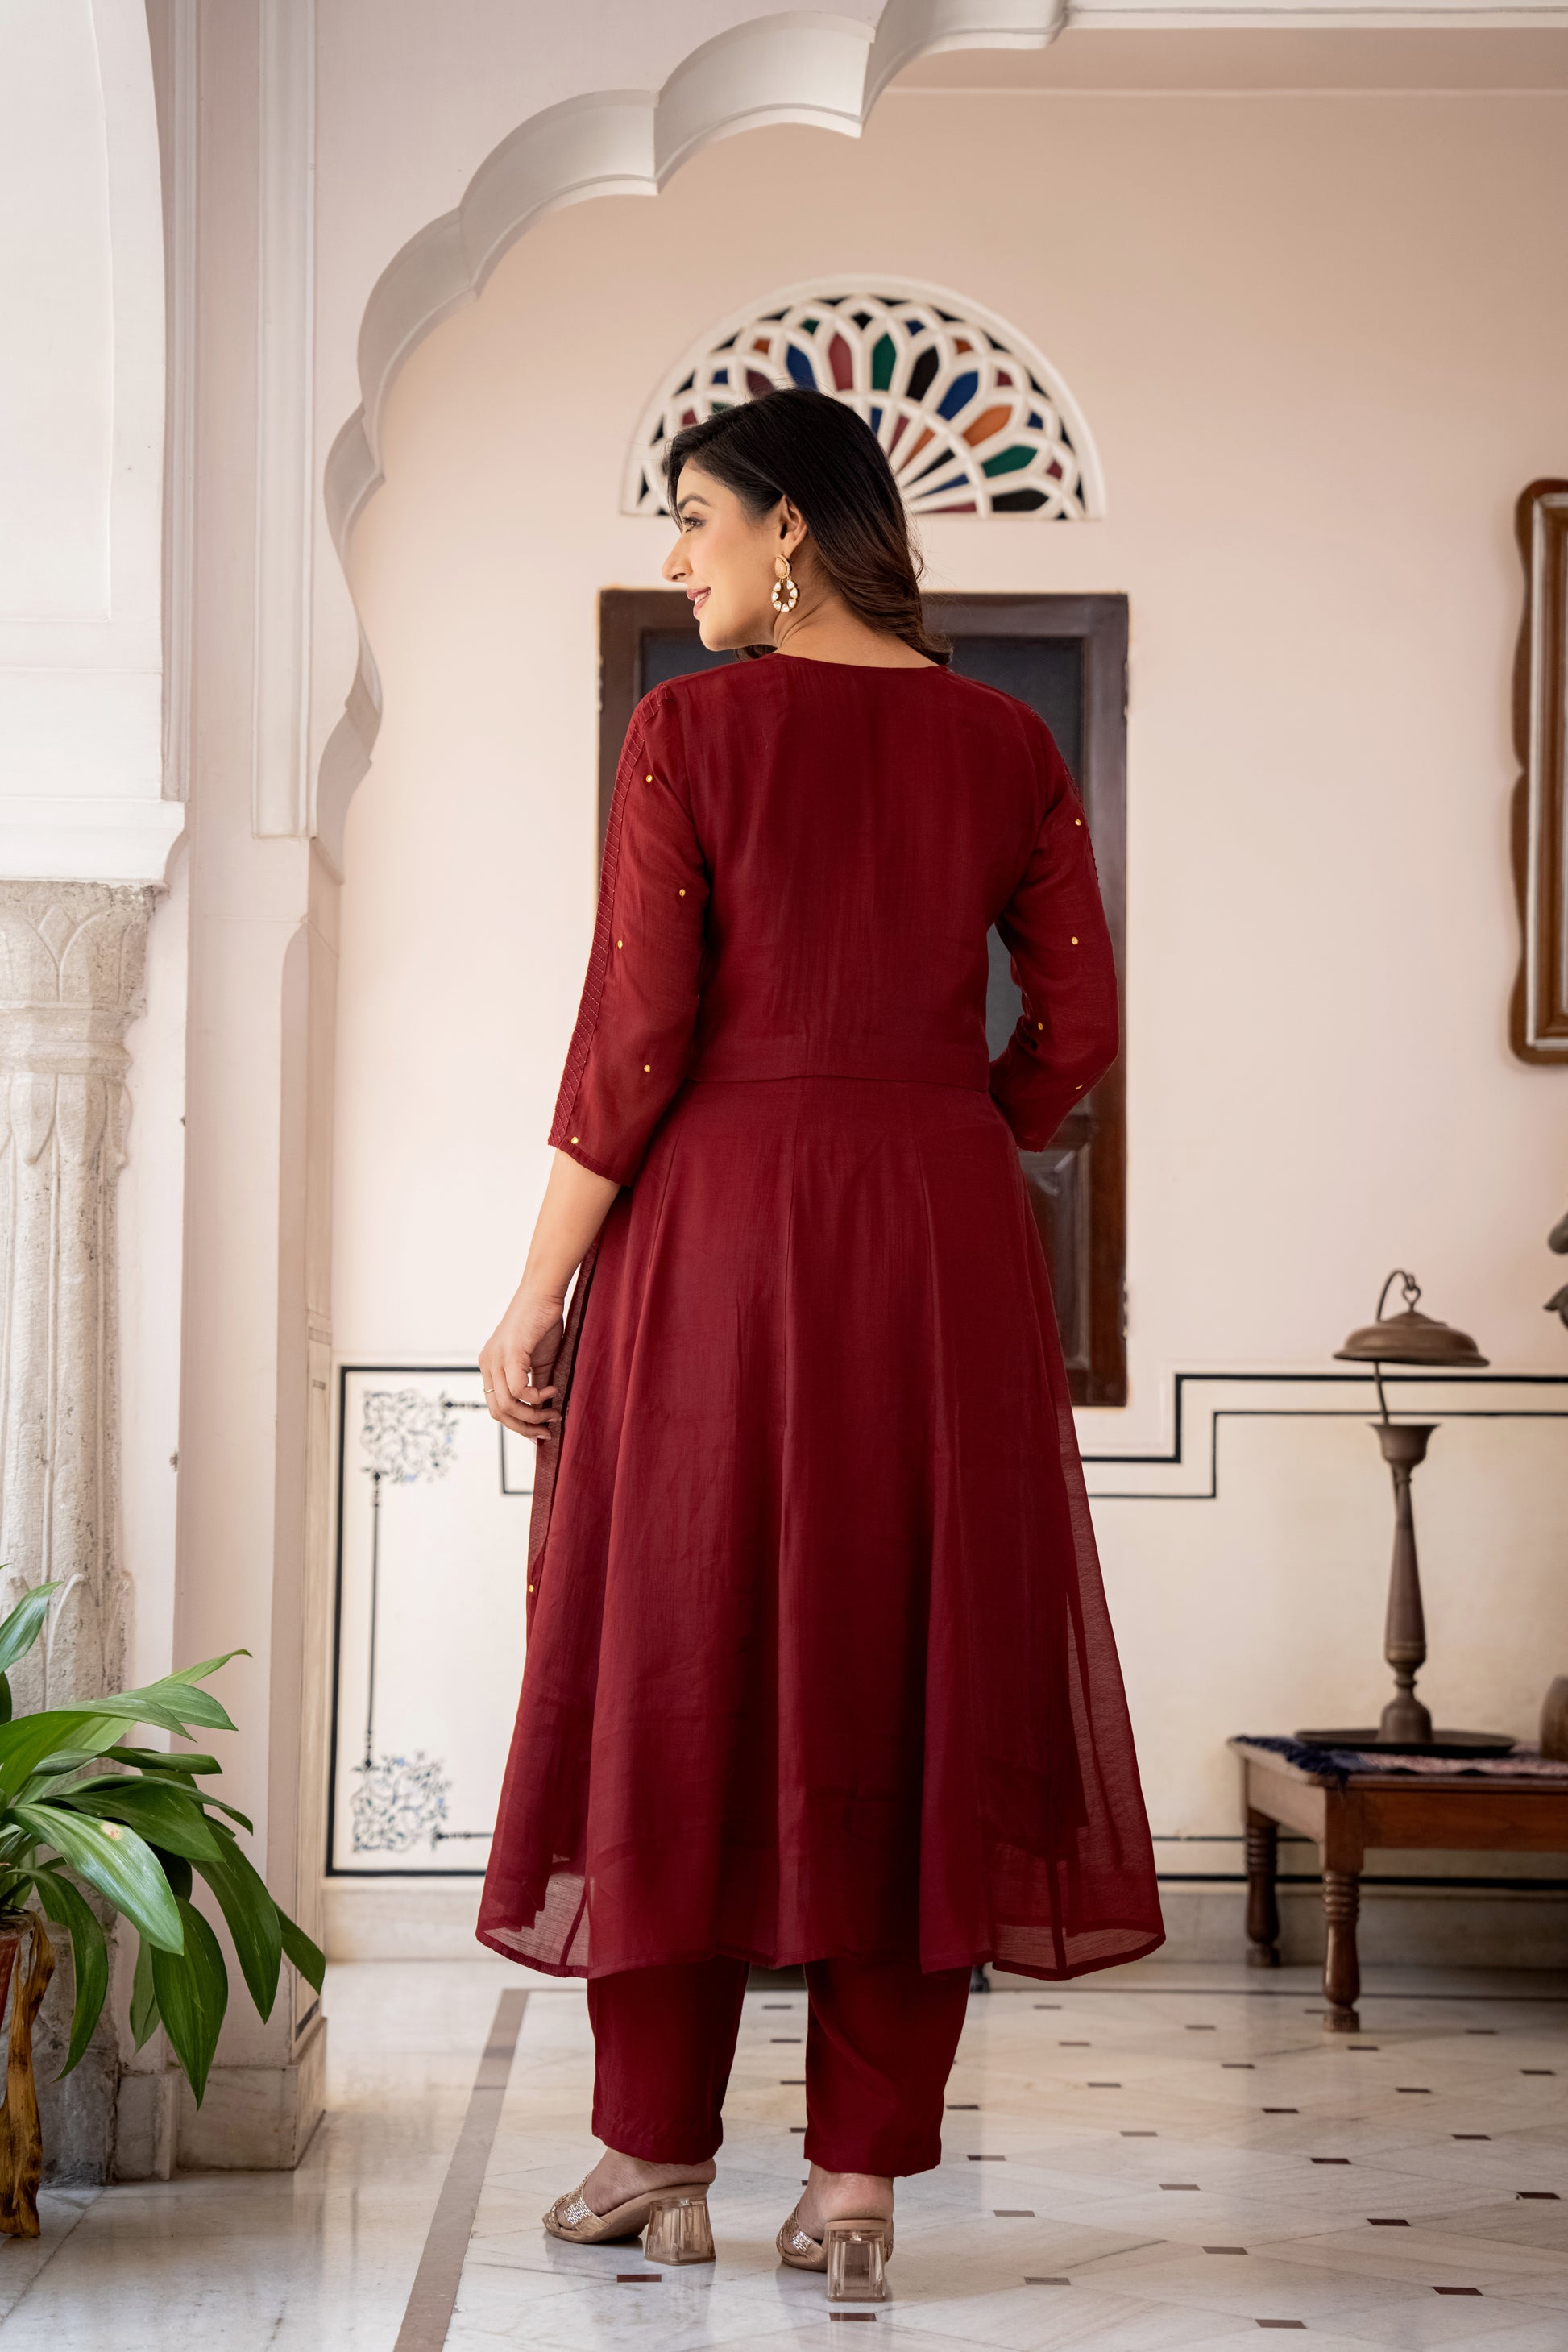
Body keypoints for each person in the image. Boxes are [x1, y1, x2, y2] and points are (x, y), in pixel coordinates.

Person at [476, 386, 1163, 2295]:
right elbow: (1079, 1030)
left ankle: (653, 2151)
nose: (675, 555)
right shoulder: (1008, 742)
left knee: (676, 1651)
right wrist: (953, 1125)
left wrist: (535, 1288)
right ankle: (856, 2182)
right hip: (937, 1243)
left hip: (714, 1231)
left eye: (694, 517)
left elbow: (633, 1044)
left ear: (789, 529)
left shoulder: (689, 731)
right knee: (911, 1669)